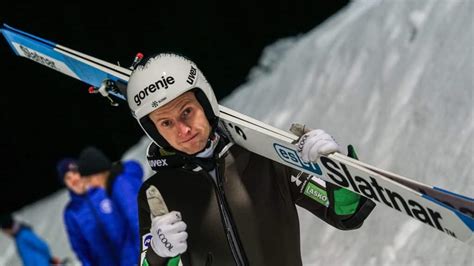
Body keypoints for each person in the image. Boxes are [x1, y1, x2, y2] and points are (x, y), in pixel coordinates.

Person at [126, 53, 376, 266]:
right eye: (166, 123)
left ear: (205, 103)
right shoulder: (157, 193)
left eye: (187, 112)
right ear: (155, 131)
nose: (183, 130)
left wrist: (334, 168)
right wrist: (159, 254)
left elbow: (346, 212)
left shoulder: (265, 156)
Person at [56, 147, 144, 266]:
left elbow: (133, 217)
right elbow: (80, 248)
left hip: (132, 257)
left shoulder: (106, 188)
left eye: (75, 173)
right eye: (68, 178)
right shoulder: (71, 212)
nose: (74, 180)